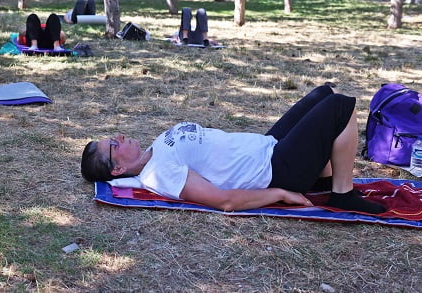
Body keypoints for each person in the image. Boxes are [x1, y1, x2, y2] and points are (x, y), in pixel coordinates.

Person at [81, 84, 387, 215]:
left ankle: (323, 179)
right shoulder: (160, 173)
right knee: (339, 106)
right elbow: (223, 201)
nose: (120, 136)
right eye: (114, 144)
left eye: (114, 137)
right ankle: (342, 194)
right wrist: (280, 194)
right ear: (118, 168)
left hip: (268, 147)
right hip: (275, 170)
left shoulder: (154, 149)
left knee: (323, 93)